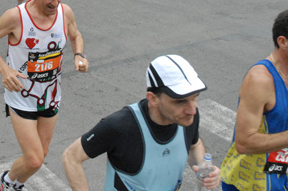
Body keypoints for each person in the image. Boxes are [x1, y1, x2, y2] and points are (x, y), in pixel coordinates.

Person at [0, 0, 88, 191]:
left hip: (51, 95)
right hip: (21, 96)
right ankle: (7, 182)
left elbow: (76, 35)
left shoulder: (65, 12)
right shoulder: (16, 17)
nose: (55, 3)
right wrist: (4, 69)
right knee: (35, 159)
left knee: (43, 152)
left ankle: (16, 184)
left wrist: (79, 55)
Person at [62, 54, 221, 191]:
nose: (192, 110)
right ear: (153, 99)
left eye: (195, 98)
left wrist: (202, 167)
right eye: (180, 101)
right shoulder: (120, 126)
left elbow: (194, 144)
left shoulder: (188, 117)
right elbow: (71, 157)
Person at [221, 7, 288, 191]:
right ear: (283, 42)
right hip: (249, 183)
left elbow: (276, 117)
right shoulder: (260, 79)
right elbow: (244, 142)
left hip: (282, 172)